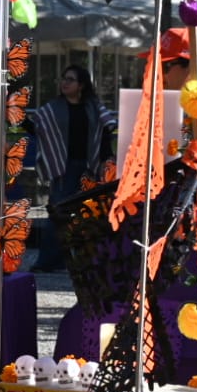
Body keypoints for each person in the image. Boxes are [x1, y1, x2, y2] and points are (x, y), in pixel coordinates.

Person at [28, 64, 116, 270]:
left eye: (70, 79)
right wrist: (17, 117)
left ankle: (83, 261)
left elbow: (105, 132)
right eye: (63, 79)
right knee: (58, 214)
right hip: (63, 168)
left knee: (88, 216)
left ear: (82, 85)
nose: (64, 83)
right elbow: (38, 129)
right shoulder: (54, 108)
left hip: (89, 168)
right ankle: (48, 261)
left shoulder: (93, 107)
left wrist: (106, 161)